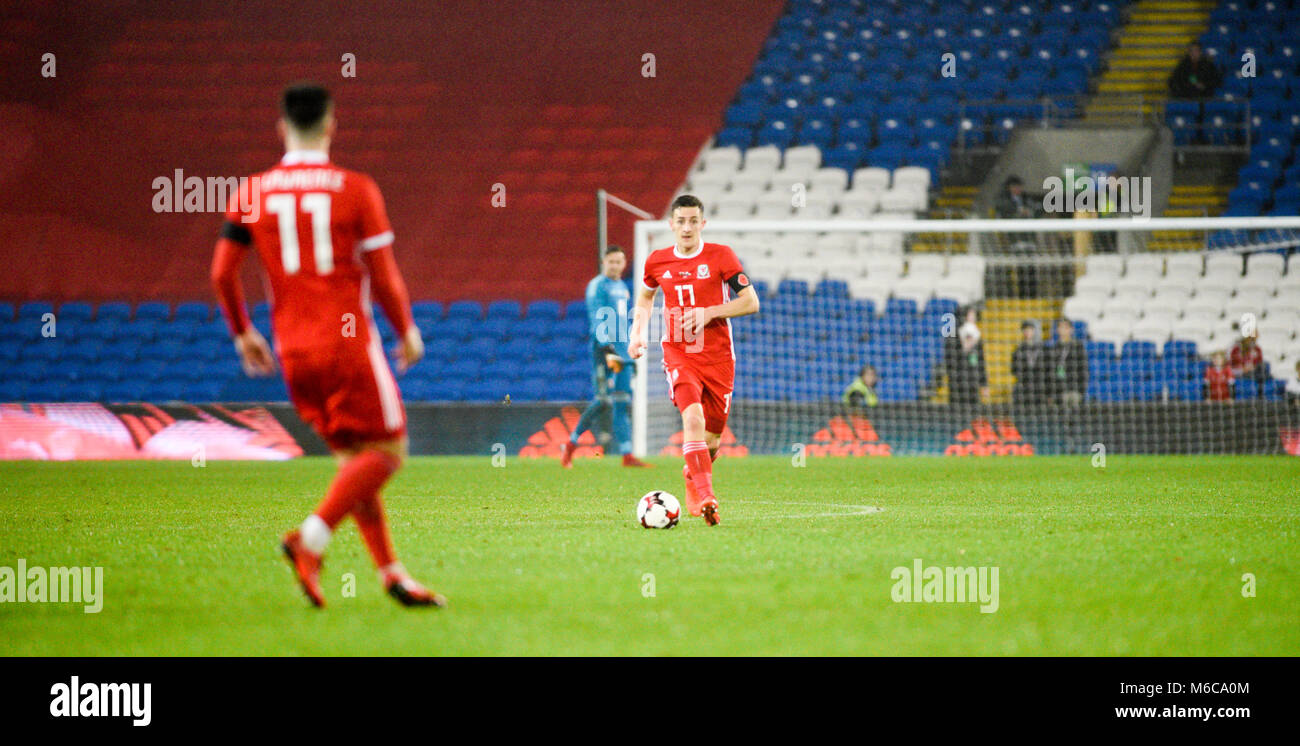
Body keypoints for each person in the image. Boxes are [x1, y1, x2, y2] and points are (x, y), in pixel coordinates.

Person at [211, 83, 443, 609]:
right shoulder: (355, 189)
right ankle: (309, 540)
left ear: (281, 128)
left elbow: (223, 272)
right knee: (389, 451)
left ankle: (392, 574)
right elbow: (383, 275)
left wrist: (242, 331)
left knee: (354, 462)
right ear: (332, 125)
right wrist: (406, 328)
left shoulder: (252, 193)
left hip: (292, 348)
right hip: (346, 343)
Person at [628, 194, 760, 526]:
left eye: (693, 221)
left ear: (703, 223)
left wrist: (709, 312)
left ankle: (692, 475)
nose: (686, 228)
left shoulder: (721, 256)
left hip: (718, 357)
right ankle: (707, 496)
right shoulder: (657, 261)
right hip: (678, 352)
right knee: (693, 418)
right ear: (671, 224)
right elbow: (646, 295)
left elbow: (750, 302)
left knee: (712, 441)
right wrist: (637, 332)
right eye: (680, 221)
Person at [561, 245, 649, 468]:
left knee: (621, 402)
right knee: (602, 401)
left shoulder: (622, 286)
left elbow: (624, 320)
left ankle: (627, 455)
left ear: (623, 263)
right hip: (604, 350)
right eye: (611, 262)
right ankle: (571, 444)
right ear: (604, 263)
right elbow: (596, 317)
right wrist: (606, 346)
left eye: (619, 261)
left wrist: (629, 350)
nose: (615, 265)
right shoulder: (597, 286)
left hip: (623, 353)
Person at [943, 307, 988, 405]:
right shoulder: (953, 336)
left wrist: (984, 384)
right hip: (958, 382)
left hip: (973, 382)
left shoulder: (977, 336)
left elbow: (981, 361)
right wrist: (965, 348)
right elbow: (950, 360)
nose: (973, 318)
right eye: (971, 315)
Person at [1048, 318, 1087, 406]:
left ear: (1071, 329)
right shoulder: (1054, 348)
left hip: (1074, 388)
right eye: (1061, 327)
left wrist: (1081, 390)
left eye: (1066, 327)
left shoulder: (1078, 347)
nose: (1063, 330)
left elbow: (1083, 369)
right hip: (1058, 390)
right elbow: (1050, 370)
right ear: (1057, 330)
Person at [1010, 320, 1047, 406]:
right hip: (1024, 386)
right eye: (1025, 330)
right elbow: (1014, 369)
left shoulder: (1043, 349)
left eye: (1030, 329)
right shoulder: (1018, 350)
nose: (1027, 332)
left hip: (1039, 387)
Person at [1229, 332, 1267, 397]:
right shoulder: (1236, 349)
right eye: (1250, 339)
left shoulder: (1257, 349)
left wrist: (1253, 367)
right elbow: (1231, 365)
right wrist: (1243, 369)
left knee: (1263, 367)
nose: (1252, 341)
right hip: (1240, 372)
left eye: (1253, 339)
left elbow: (1259, 362)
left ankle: (1260, 393)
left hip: (1253, 371)